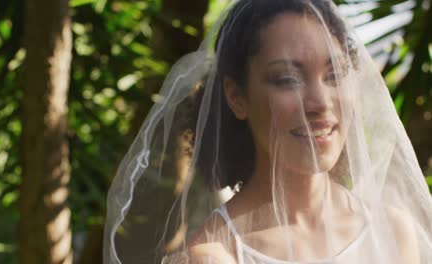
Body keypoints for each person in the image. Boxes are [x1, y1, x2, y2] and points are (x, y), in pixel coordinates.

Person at [104, 0, 432, 263]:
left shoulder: (394, 231)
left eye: (334, 75)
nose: (320, 102)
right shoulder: (212, 257)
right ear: (237, 97)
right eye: (287, 79)